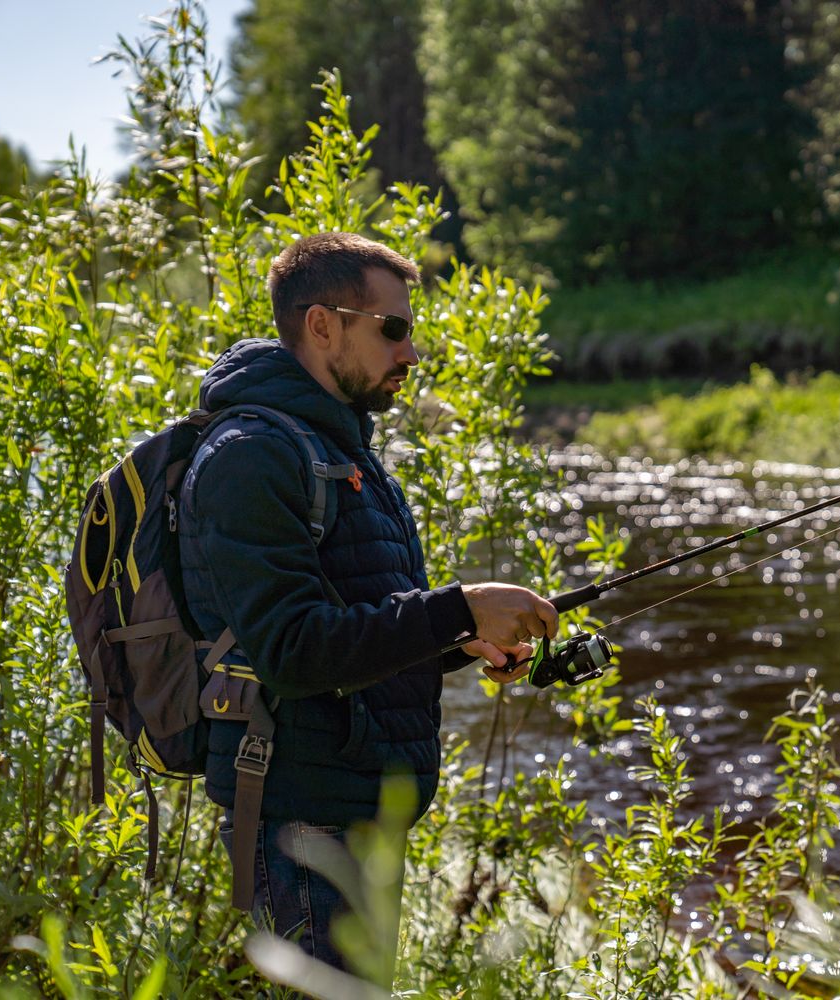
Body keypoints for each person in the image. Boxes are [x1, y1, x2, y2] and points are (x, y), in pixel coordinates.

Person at [177, 231, 557, 969]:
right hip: (300, 825)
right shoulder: (251, 454)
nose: (410, 352)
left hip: (348, 814)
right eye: (393, 329)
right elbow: (291, 650)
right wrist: (460, 607)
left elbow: (352, 624)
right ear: (323, 325)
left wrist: (458, 641)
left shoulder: (342, 450)